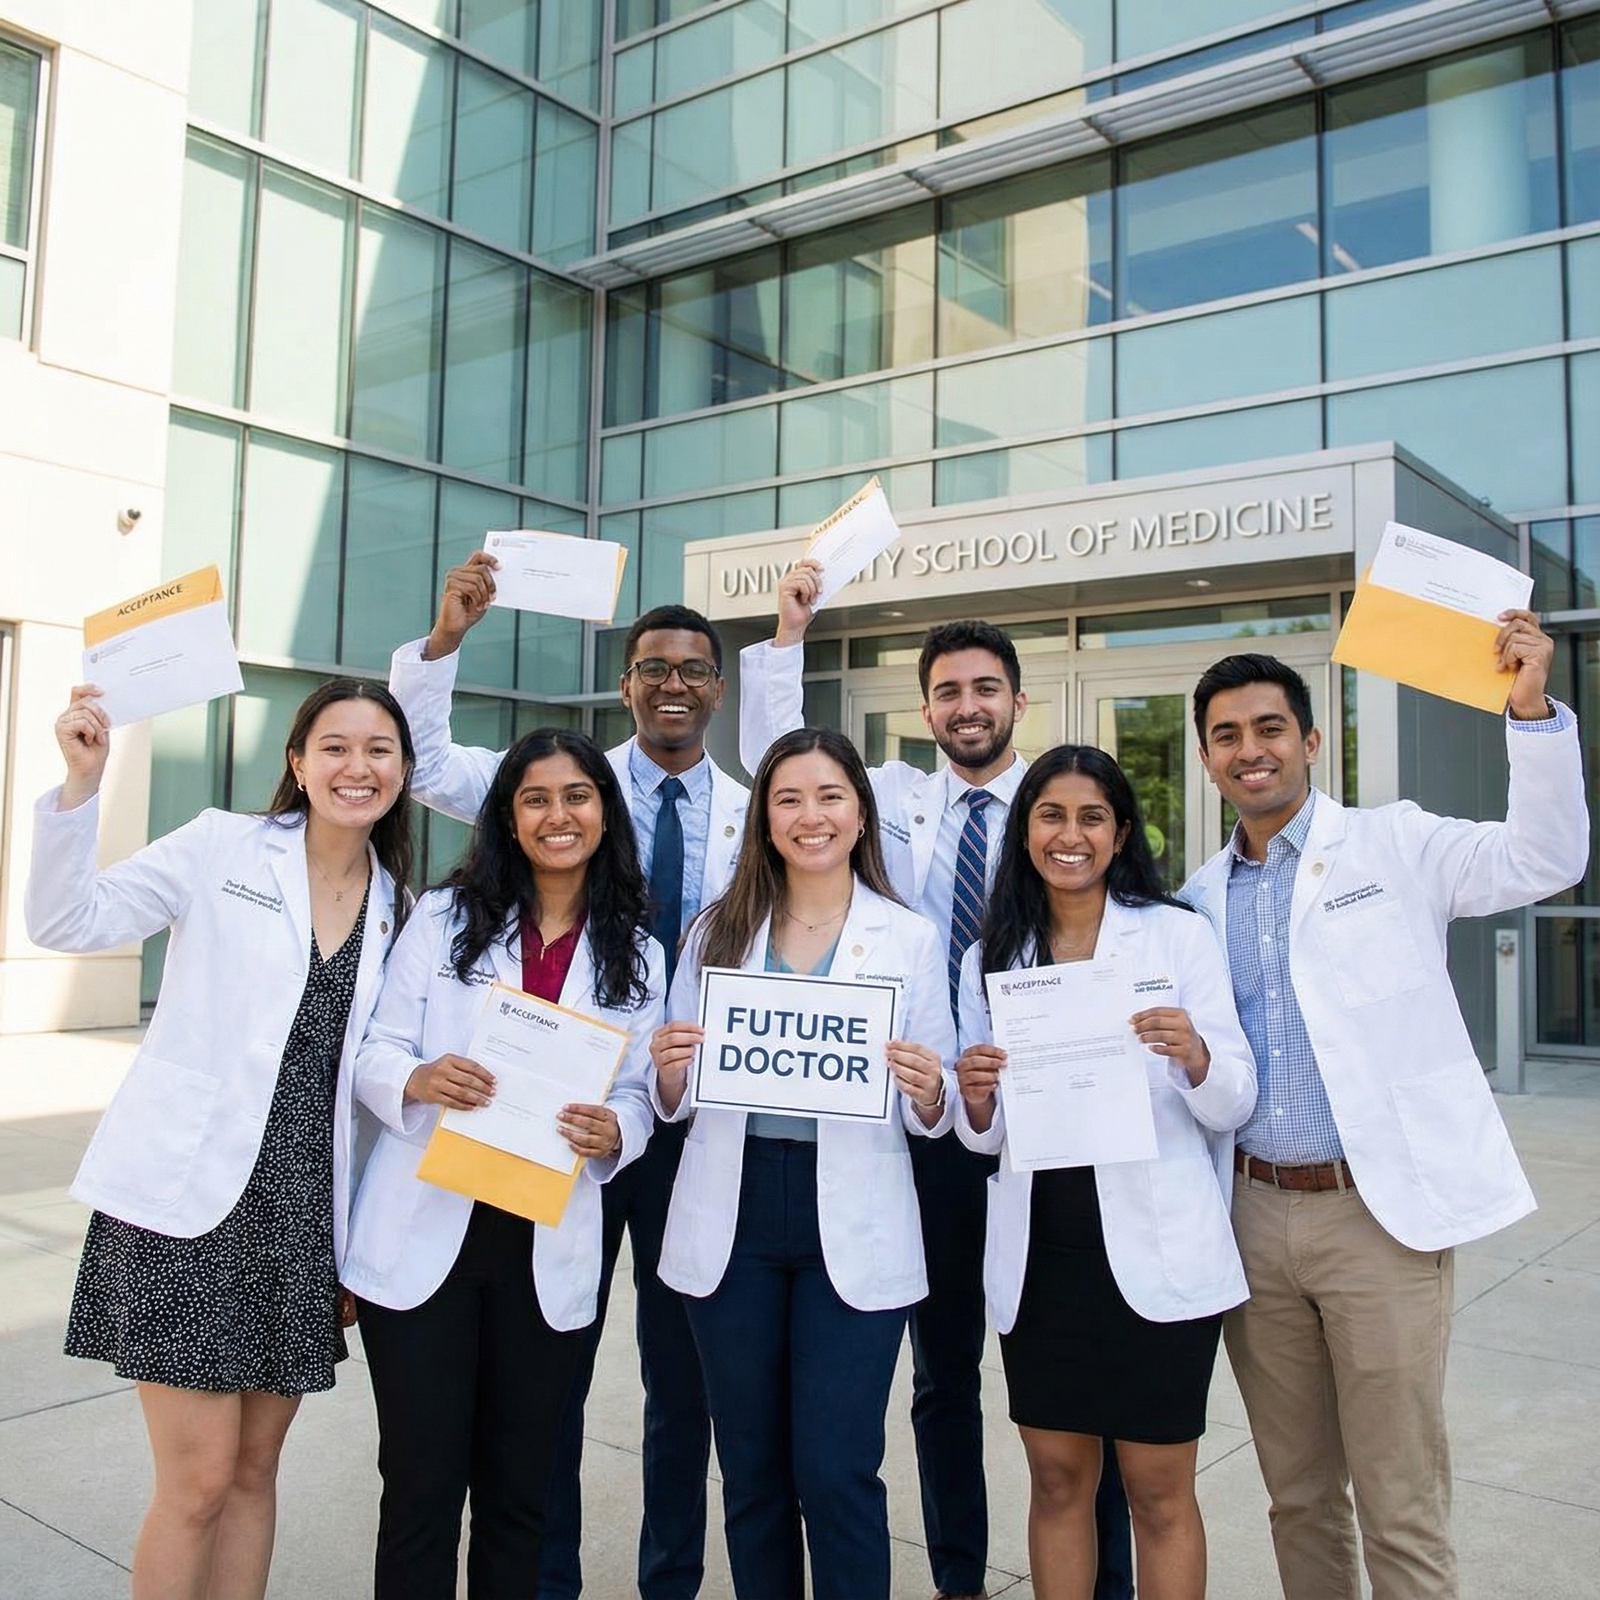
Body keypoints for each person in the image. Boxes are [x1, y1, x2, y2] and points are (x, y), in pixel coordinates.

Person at [743, 560, 1134, 1600]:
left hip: (1048, 1123)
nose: (967, 706)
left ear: (1016, 700)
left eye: (985, 688)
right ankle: (961, 1575)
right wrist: (788, 636)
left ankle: (1103, 1581)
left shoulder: (1056, 806)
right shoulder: (897, 796)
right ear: (926, 709)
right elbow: (781, 766)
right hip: (919, 1131)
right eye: (948, 691)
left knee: (1072, 1378)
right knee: (942, 1375)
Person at [1183, 630, 1588, 1600]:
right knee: (1296, 1494)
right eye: (1227, 734)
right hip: (1249, 1219)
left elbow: (1546, 855)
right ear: (1204, 756)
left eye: (1270, 728)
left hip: (1376, 1220)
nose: (1251, 749)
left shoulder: (1395, 842)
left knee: (1398, 1498)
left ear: (1312, 742)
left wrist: (1529, 713)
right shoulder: (1194, 901)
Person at [389, 557, 746, 1600]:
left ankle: (667, 1580)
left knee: (681, 1381)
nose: (672, 684)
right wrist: (445, 643)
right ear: (626, 686)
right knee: (552, 1371)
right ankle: (543, 1582)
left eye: (692, 669)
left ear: (716, 688)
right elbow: (424, 766)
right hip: (545, 1126)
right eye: (651, 669)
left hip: (681, 1119)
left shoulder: (750, 804)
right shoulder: (555, 785)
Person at [25, 677, 414, 1600]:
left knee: (252, 1474)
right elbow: (65, 920)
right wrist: (82, 788)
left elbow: (367, 1085)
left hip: (299, 1218)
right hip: (184, 1206)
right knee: (196, 1482)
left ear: (402, 770)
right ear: (297, 762)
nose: (356, 767)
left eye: (379, 750)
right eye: (335, 746)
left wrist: (350, 1248)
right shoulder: (220, 845)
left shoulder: (400, 904)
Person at [342, 728, 664, 1598]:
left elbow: (638, 1094)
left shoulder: (637, 950)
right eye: (536, 799)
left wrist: (617, 1131)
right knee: (420, 1490)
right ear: (508, 819)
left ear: (605, 813)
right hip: (426, 1243)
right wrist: (418, 1075)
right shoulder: (443, 920)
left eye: (577, 796)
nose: (558, 816)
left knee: (522, 1498)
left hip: (542, 1243)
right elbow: (374, 1049)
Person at [649, 727, 956, 1600]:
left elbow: (933, 1115)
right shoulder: (718, 928)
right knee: (750, 1474)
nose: (809, 816)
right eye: (788, 798)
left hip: (850, 1217)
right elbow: (674, 1095)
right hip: (735, 1209)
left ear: (861, 815)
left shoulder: (908, 938)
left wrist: (928, 1087)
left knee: (836, 1471)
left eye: (829, 797)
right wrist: (670, 1074)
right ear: (764, 818)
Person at [952, 744, 1255, 1600]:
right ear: (1027, 831)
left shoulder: (1176, 933)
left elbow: (1233, 1099)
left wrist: (1195, 1055)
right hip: (1046, 1257)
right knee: (1055, 1483)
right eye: (1051, 815)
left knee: (1159, 1492)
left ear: (1121, 833)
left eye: (1092, 817)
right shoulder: (996, 956)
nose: (1070, 835)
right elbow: (987, 1142)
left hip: (1155, 1252)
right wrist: (976, 1099)